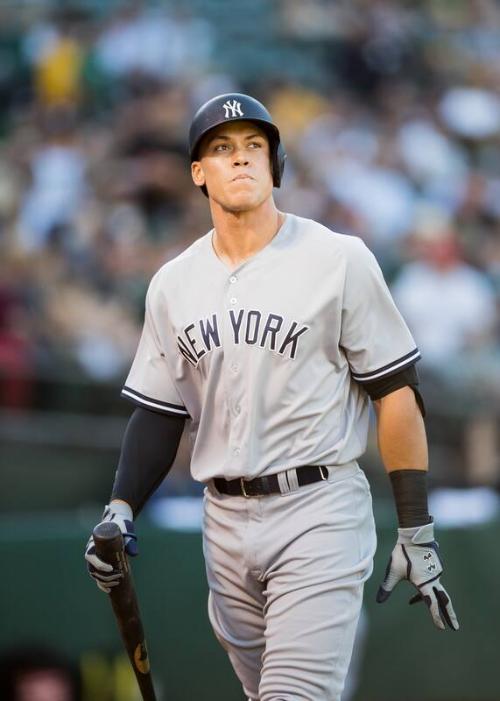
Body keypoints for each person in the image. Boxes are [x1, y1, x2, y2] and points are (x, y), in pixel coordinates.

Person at [85, 93, 459, 701]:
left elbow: (396, 393)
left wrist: (416, 526)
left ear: (275, 164)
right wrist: (121, 505)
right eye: (222, 148)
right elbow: (159, 409)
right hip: (224, 520)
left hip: (318, 507)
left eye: (254, 146)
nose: (240, 160)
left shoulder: (338, 258)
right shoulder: (173, 283)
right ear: (198, 172)